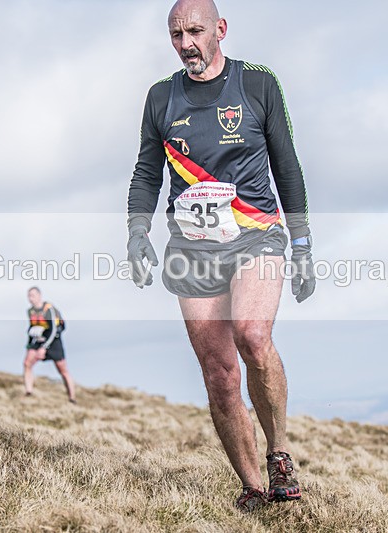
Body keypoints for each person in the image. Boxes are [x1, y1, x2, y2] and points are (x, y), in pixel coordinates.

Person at [126, 0, 314, 512]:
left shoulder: (257, 84)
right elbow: (147, 171)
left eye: (195, 31)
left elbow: (288, 166)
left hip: (256, 235)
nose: (186, 42)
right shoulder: (161, 97)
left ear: (220, 30)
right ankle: (255, 486)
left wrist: (301, 243)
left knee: (252, 337)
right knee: (218, 372)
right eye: (176, 34)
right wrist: (137, 229)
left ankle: (278, 451)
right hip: (192, 246)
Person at [24, 286, 76, 404]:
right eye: (29, 296)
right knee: (27, 363)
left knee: (62, 369)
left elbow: (53, 330)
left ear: (39, 295)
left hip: (53, 339)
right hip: (39, 338)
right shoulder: (30, 311)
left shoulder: (49, 309)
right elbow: (32, 327)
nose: (30, 298)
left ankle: (72, 398)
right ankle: (29, 392)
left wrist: (44, 348)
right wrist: (29, 345)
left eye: (32, 295)